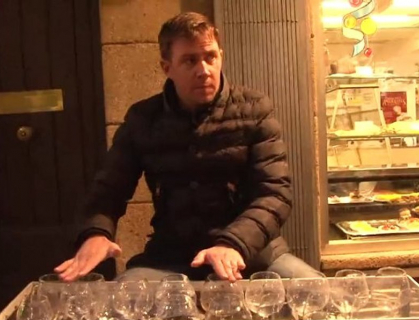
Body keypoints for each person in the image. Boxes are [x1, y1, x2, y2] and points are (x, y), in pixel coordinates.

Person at [55, 12, 322, 283]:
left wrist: (232, 243)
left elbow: (275, 193)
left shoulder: (254, 109)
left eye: (210, 57)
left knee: (320, 294)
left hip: (251, 253)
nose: (203, 70)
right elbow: (109, 188)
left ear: (221, 56)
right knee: (126, 302)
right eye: (190, 60)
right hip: (171, 258)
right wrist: (96, 233)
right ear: (166, 67)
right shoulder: (144, 118)